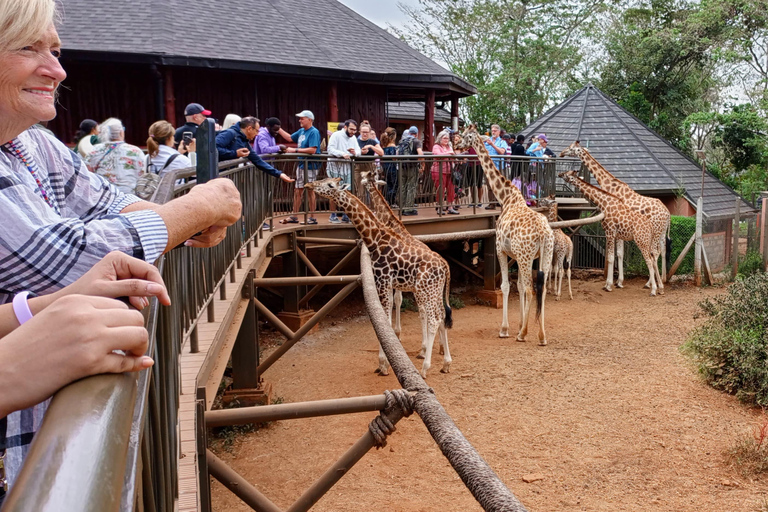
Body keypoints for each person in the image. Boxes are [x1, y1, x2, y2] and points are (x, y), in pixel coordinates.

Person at [0, 0, 244, 487]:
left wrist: (175, 222)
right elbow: (67, 259)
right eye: (29, 47)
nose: (57, 69)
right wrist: (195, 209)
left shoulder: (32, 142)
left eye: (55, 48)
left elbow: (110, 203)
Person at [215, 116, 294, 182]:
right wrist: (234, 153)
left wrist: (279, 174)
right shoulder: (230, 133)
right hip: (215, 175)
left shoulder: (245, 141)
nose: (257, 134)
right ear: (249, 129)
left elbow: (257, 160)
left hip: (225, 177)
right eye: (256, 131)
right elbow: (212, 149)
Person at [85, 118, 146, 194]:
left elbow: (88, 174)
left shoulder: (94, 150)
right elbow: (142, 174)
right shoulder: (135, 151)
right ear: (121, 132)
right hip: (130, 196)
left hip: (104, 195)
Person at [283, 110, 321, 225]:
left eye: (302, 118)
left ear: (309, 120)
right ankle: (294, 216)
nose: (300, 120)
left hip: (310, 165)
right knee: (298, 189)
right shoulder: (301, 131)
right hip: (301, 165)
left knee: (310, 190)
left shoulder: (314, 132)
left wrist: (295, 150)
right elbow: (290, 138)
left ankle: (312, 217)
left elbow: (313, 150)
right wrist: (278, 129)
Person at [326, 119, 360, 223]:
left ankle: (346, 214)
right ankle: (333, 215)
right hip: (334, 167)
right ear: (345, 127)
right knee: (334, 191)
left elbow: (358, 151)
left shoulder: (353, 137)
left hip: (347, 168)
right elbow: (330, 149)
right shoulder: (336, 135)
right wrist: (342, 154)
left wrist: (355, 152)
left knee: (347, 191)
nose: (353, 132)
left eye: (355, 130)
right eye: (351, 129)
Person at [431, 129, 458, 214]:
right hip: (438, 171)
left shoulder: (448, 147)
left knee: (451, 189)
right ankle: (439, 207)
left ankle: (450, 207)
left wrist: (453, 156)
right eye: (444, 138)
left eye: (447, 138)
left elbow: (453, 156)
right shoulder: (436, 146)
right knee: (440, 189)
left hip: (449, 171)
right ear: (440, 138)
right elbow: (438, 155)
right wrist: (449, 153)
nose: (446, 140)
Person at [399, 126, 424, 216]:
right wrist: (422, 164)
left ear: (409, 133)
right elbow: (420, 154)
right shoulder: (416, 141)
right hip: (412, 167)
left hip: (402, 167)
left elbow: (397, 154)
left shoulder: (402, 141)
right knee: (411, 187)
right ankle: (408, 209)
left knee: (403, 187)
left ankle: (401, 207)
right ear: (417, 134)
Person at [483, 124, 508, 209]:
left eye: (495, 131)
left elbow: (501, 152)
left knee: (500, 185)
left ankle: (501, 202)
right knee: (489, 185)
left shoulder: (502, 142)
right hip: (488, 167)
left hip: (498, 167)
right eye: (492, 130)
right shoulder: (486, 140)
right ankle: (492, 203)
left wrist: (492, 145)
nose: (493, 132)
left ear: (499, 132)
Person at [356, 121, 383, 198]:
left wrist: (371, 146)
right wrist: (360, 152)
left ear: (370, 132)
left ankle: (373, 209)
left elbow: (381, 152)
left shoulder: (373, 141)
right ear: (360, 132)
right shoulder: (356, 141)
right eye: (363, 132)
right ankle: (361, 209)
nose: (365, 134)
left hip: (370, 166)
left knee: (373, 190)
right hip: (358, 167)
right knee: (359, 191)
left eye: (367, 132)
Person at [381, 127, 399, 205]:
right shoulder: (392, 145)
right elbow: (394, 157)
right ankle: (391, 201)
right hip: (392, 167)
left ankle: (388, 200)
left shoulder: (384, 145)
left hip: (385, 167)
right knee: (394, 184)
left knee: (388, 184)